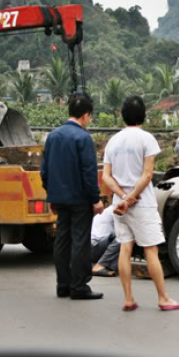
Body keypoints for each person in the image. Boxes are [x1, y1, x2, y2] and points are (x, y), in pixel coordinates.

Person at [103, 96, 179, 312]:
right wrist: (131, 198)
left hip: (119, 205)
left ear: (121, 115)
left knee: (125, 249)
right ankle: (163, 298)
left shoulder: (113, 141)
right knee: (150, 250)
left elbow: (106, 177)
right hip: (142, 204)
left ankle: (128, 298)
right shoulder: (147, 139)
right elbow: (148, 175)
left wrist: (122, 197)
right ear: (143, 116)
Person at [41, 93, 104, 300]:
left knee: (62, 239)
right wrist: (95, 198)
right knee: (80, 241)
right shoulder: (83, 137)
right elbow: (88, 172)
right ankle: (79, 286)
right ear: (85, 115)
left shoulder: (53, 136)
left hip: (59, 198)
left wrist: (51, 194)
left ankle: (63, 284)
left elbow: (45, 171)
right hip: (79, 199)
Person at [91, 208, 119, 277]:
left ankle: (100, 264)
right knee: (123, 237)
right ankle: (100, 266)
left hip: (93, 247)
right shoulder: (117, 208)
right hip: (94, 247)